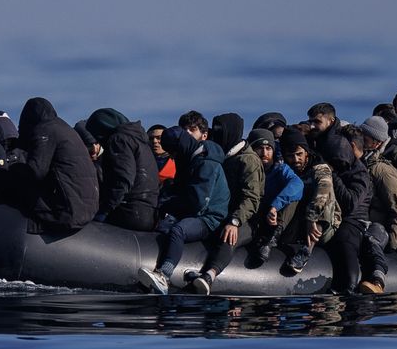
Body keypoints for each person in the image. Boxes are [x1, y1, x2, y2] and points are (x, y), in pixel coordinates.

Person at [137, 126, 229, 294]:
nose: (172, 156)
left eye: (174, 152)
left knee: (178, 230)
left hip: (210, 217)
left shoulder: (207, 163)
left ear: (181, 148)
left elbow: (199, 203)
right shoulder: (190, 159)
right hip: (193, 211)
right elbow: (180, 189)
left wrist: (171, 206)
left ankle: (164, 275)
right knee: (164, 227)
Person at [0, 97, 100, 234]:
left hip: (67, 214)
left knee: (15, 186)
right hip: (86, 210)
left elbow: (35, 171)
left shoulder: (45, 129)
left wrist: (11, 170)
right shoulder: (65, 129)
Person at [184, 125, 266, 294]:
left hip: (247, 221)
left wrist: (235, 221)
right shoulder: (225, 158)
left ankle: (210, 275)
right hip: (223, 214)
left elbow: (251, 198)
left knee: (229, 237)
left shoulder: (248, 160)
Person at [309, 104, 371, 294]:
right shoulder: (322, 145)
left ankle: (350, 287)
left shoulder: (360, 172)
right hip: (331, 214)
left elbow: (351, 203)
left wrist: (332, 175)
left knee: (345, 240)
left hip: (353, 220)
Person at [350, 120, 397, 294]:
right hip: (360, 223)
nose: (360, 138)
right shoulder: (358, 166)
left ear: (376, 143)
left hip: (378, 227)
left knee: (372, 239)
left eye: (365, 137)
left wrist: (392, 244)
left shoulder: (382, 171)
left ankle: (377, 280)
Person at [84, 108, 160, 231]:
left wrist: (105, 210)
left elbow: (122, 179)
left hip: (130, 211)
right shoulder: (140, 140)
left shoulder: (118, 140)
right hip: (149, 211)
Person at [278, 126, 340, 275]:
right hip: (296, 223)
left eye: (299, 154)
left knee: (325, 194)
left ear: (306, 152)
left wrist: (311, 218)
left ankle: (306, 251)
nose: (296, 160)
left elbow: (324, 188)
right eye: (291, 156)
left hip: (322, 225)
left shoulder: (319, 167)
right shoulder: (284, 169)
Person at [247, 130, 303, 268]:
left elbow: (297, 184)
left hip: (274, 217)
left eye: (268, 148)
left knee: (294, 197)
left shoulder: (280, 168)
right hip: (252, 215)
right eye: (259, 148)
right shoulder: (246, 167)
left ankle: (272, 239)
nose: (264, 153)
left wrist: (275, 206)